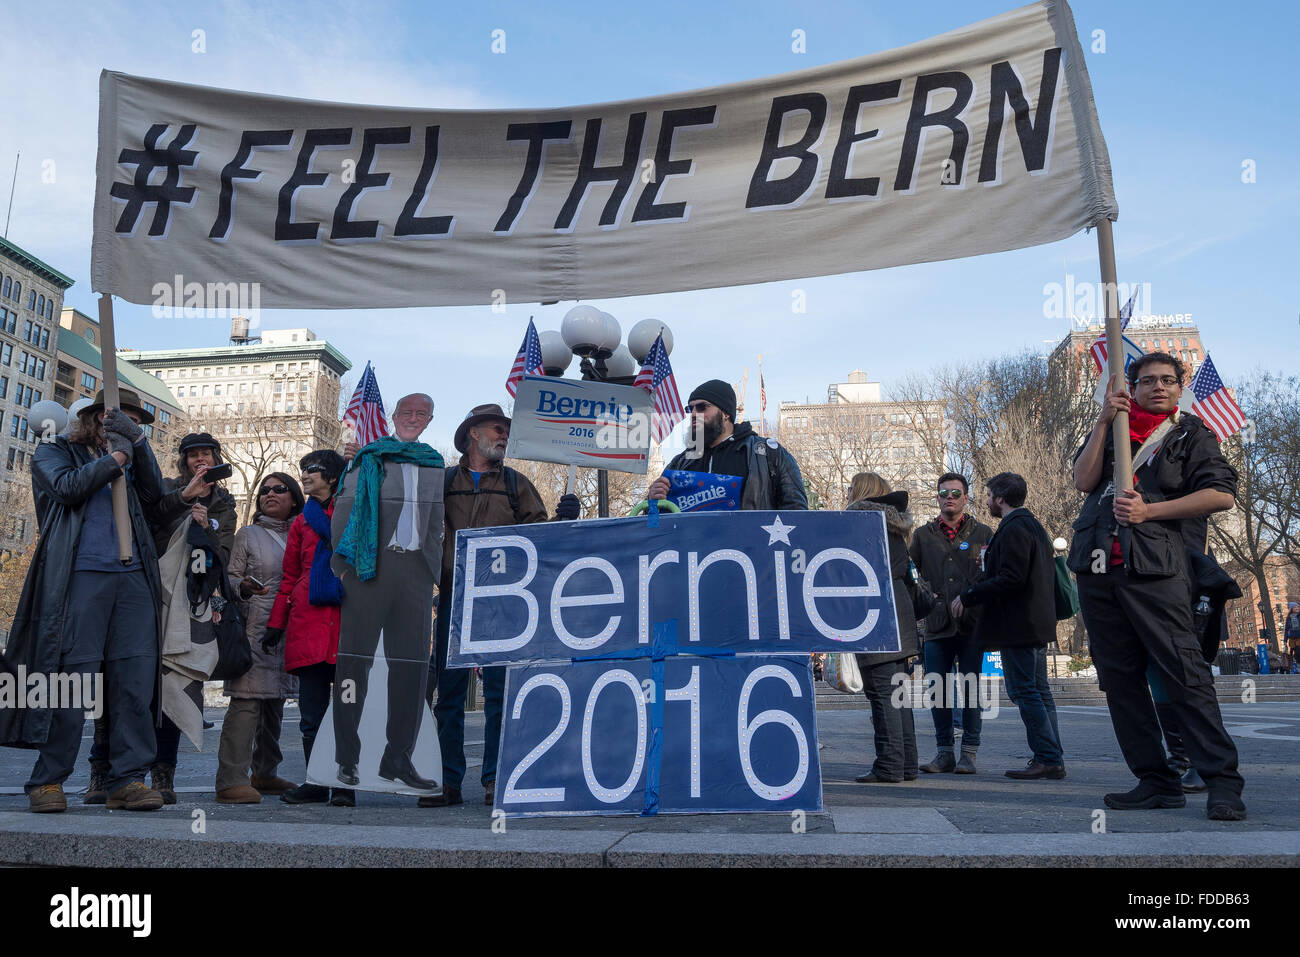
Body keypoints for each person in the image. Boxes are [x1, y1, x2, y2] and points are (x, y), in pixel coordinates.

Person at [1070, 352, 1245, 819]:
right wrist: (1103, 423)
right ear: (1131, 387)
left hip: (1158, 570)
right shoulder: (1112, 431)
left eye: (1168, 380)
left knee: (1184, 674)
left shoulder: (1191, 433)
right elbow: (1082, 479)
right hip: (1100, 568)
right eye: (1147, 381)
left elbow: (1221, 494)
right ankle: (1155, 780)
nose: (1158, 387)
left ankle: (1222, 783)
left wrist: (1151, 511)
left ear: (1179, 387)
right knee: (1121, 683)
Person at [0, 388, 167, 812]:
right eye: (119, 419)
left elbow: (154, 495)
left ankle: (127, 779)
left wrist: (139, 447)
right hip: (80, 578)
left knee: (134, 682)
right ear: (95, 418)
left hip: (133, 581)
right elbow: (66, 488)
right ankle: (49, 781)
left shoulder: (133, 456)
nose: (126, 429)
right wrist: (115, 460)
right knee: (72, 683)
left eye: (134, 422)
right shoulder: (53, 453)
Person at [419, 402, 581, 808]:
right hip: (455, 602)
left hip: (504, 605)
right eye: (497, 428)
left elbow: (539, 540)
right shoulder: (440, 482)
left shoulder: (516, 483)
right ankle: (446, 781)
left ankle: (495, 779)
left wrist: (563, 520)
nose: (504, 435)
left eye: (506, 429)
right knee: (450, 696)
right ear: (473, 433)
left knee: (498, 695)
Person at [330, 394, 451, 802]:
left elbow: (437, 522)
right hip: (369, 569)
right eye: (407, 413)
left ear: (429, 420)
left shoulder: (436, 463)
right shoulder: (370, 457)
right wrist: (344, 569)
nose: (414, 419)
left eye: (422, 414)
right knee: (354, 665)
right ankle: (346, 758)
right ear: (393, 417)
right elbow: (344, 510)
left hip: (415, 575)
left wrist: (432, 572)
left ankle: (397, 758)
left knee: (412, 670)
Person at [124, 432, 237, 804]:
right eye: (193, 455)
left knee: (178, 680)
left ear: (217, 458)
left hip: (192, 603)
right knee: (137, 685)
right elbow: (150, 524)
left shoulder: (224, 503)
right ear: (183, 461)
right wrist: (185, 499)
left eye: (207, 453)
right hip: (152, 594)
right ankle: (121, 774)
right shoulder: (170, 488)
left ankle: (163, 774)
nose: (200, 460)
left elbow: (223, 555)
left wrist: (206, 527)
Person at [952, 472, 1065, 780]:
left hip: (1020, 624)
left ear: (1000, 499)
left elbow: (1012, 578)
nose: (986, 501)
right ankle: (1052, 756)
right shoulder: (1032, 526)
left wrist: (971, 593)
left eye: (989, 496)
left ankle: (1048, 757)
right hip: (1035, 623)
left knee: (1023, 690)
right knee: (1039, 690)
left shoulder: (1014, 528)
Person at [214, 472, 305, 804]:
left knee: (275, 701)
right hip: (255, 627)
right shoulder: (248, 534)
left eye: (279, 489)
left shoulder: (304, 530)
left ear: (294, 497)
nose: (270, 493)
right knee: (248, 701)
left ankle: (265, 773)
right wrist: (243, 587)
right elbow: (231, 578)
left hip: (290, 627)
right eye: (264, 490)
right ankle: (230, 779)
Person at [264, 450, 348, 806]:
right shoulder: (300, 523)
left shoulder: (355, 512)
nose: (305, 475)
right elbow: (291, 577)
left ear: (331, 476)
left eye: (312, 470)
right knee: (311, 714)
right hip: (308, 623)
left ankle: (346, 784)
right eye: (303, 470)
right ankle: (317, 781)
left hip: (347, 623)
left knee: (348, 712)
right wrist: (275, 624)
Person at [909, 472, 993, 774]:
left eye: (956, 493)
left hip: (972, 625)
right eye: (944, 493)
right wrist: (922, 594)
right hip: (936, 625)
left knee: (970, 690)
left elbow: (992, 576)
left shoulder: (984, 534)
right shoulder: (922, 535)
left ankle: (969, 752)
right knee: (939, 691)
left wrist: (971, 597)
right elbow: (908, 571)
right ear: (937, 498)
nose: (949, 498)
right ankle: (944, 752)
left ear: (966, 498)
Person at [846, 473, 919, 784]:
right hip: (899, 620)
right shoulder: (892, 528)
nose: (847, 492)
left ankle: (889, 766)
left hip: (877, 622)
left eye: (851, 487)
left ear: (861, 492)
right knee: (896, 697)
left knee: (882, 695)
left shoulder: (862, 524)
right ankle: (907, 765)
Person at [646, 379, 807, 510]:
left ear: (725, 413)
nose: (694, 414)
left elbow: (797, 514)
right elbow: (654, 526)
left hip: (751, 548)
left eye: (702, 407)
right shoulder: (680, 463)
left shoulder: (768, 455)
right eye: (690, 408)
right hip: (694, 549)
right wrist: (652, 502)